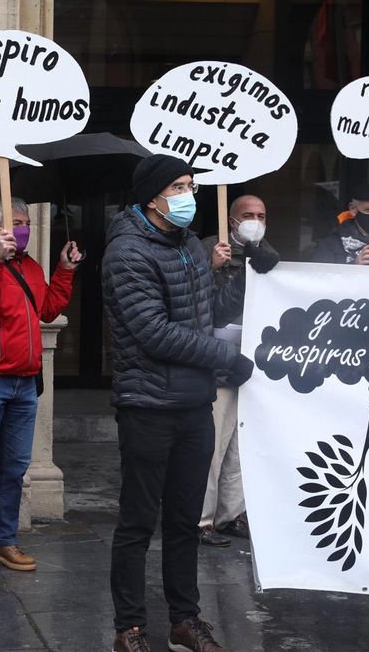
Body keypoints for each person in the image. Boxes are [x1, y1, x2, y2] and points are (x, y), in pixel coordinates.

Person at [102, 155, 278, 652]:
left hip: (193, 403)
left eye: (192, 186)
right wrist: (227, 357)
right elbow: (153, 332)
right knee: (138, 521)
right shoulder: (127, 253)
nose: (188, 195)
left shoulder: (189, 248)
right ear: (153, 196)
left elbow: (211, 313)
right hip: (148, 404)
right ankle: (130, 627)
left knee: (183, 521)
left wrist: (249, 269)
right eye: (178, 186)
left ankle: (185, 618)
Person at [0, 198, 81, 580]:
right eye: (17, 223)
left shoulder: (30, 267)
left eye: (26, 222)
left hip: (24, 382)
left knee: (15, 468)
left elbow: (48, 310)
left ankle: (2, 540)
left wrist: (64, 270)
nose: (24, 228)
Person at [197, 195, 278, 549]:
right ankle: (200, 519)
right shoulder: (206, 251)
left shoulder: (265, 254)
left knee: (239, 448)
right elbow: (204, 307)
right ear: (231, 221)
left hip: (253, 365)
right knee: (211, 447)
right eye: (248, 215)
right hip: (217, 366)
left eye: (261, 215)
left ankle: (231, 514)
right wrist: (211, 267)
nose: (255, 221)